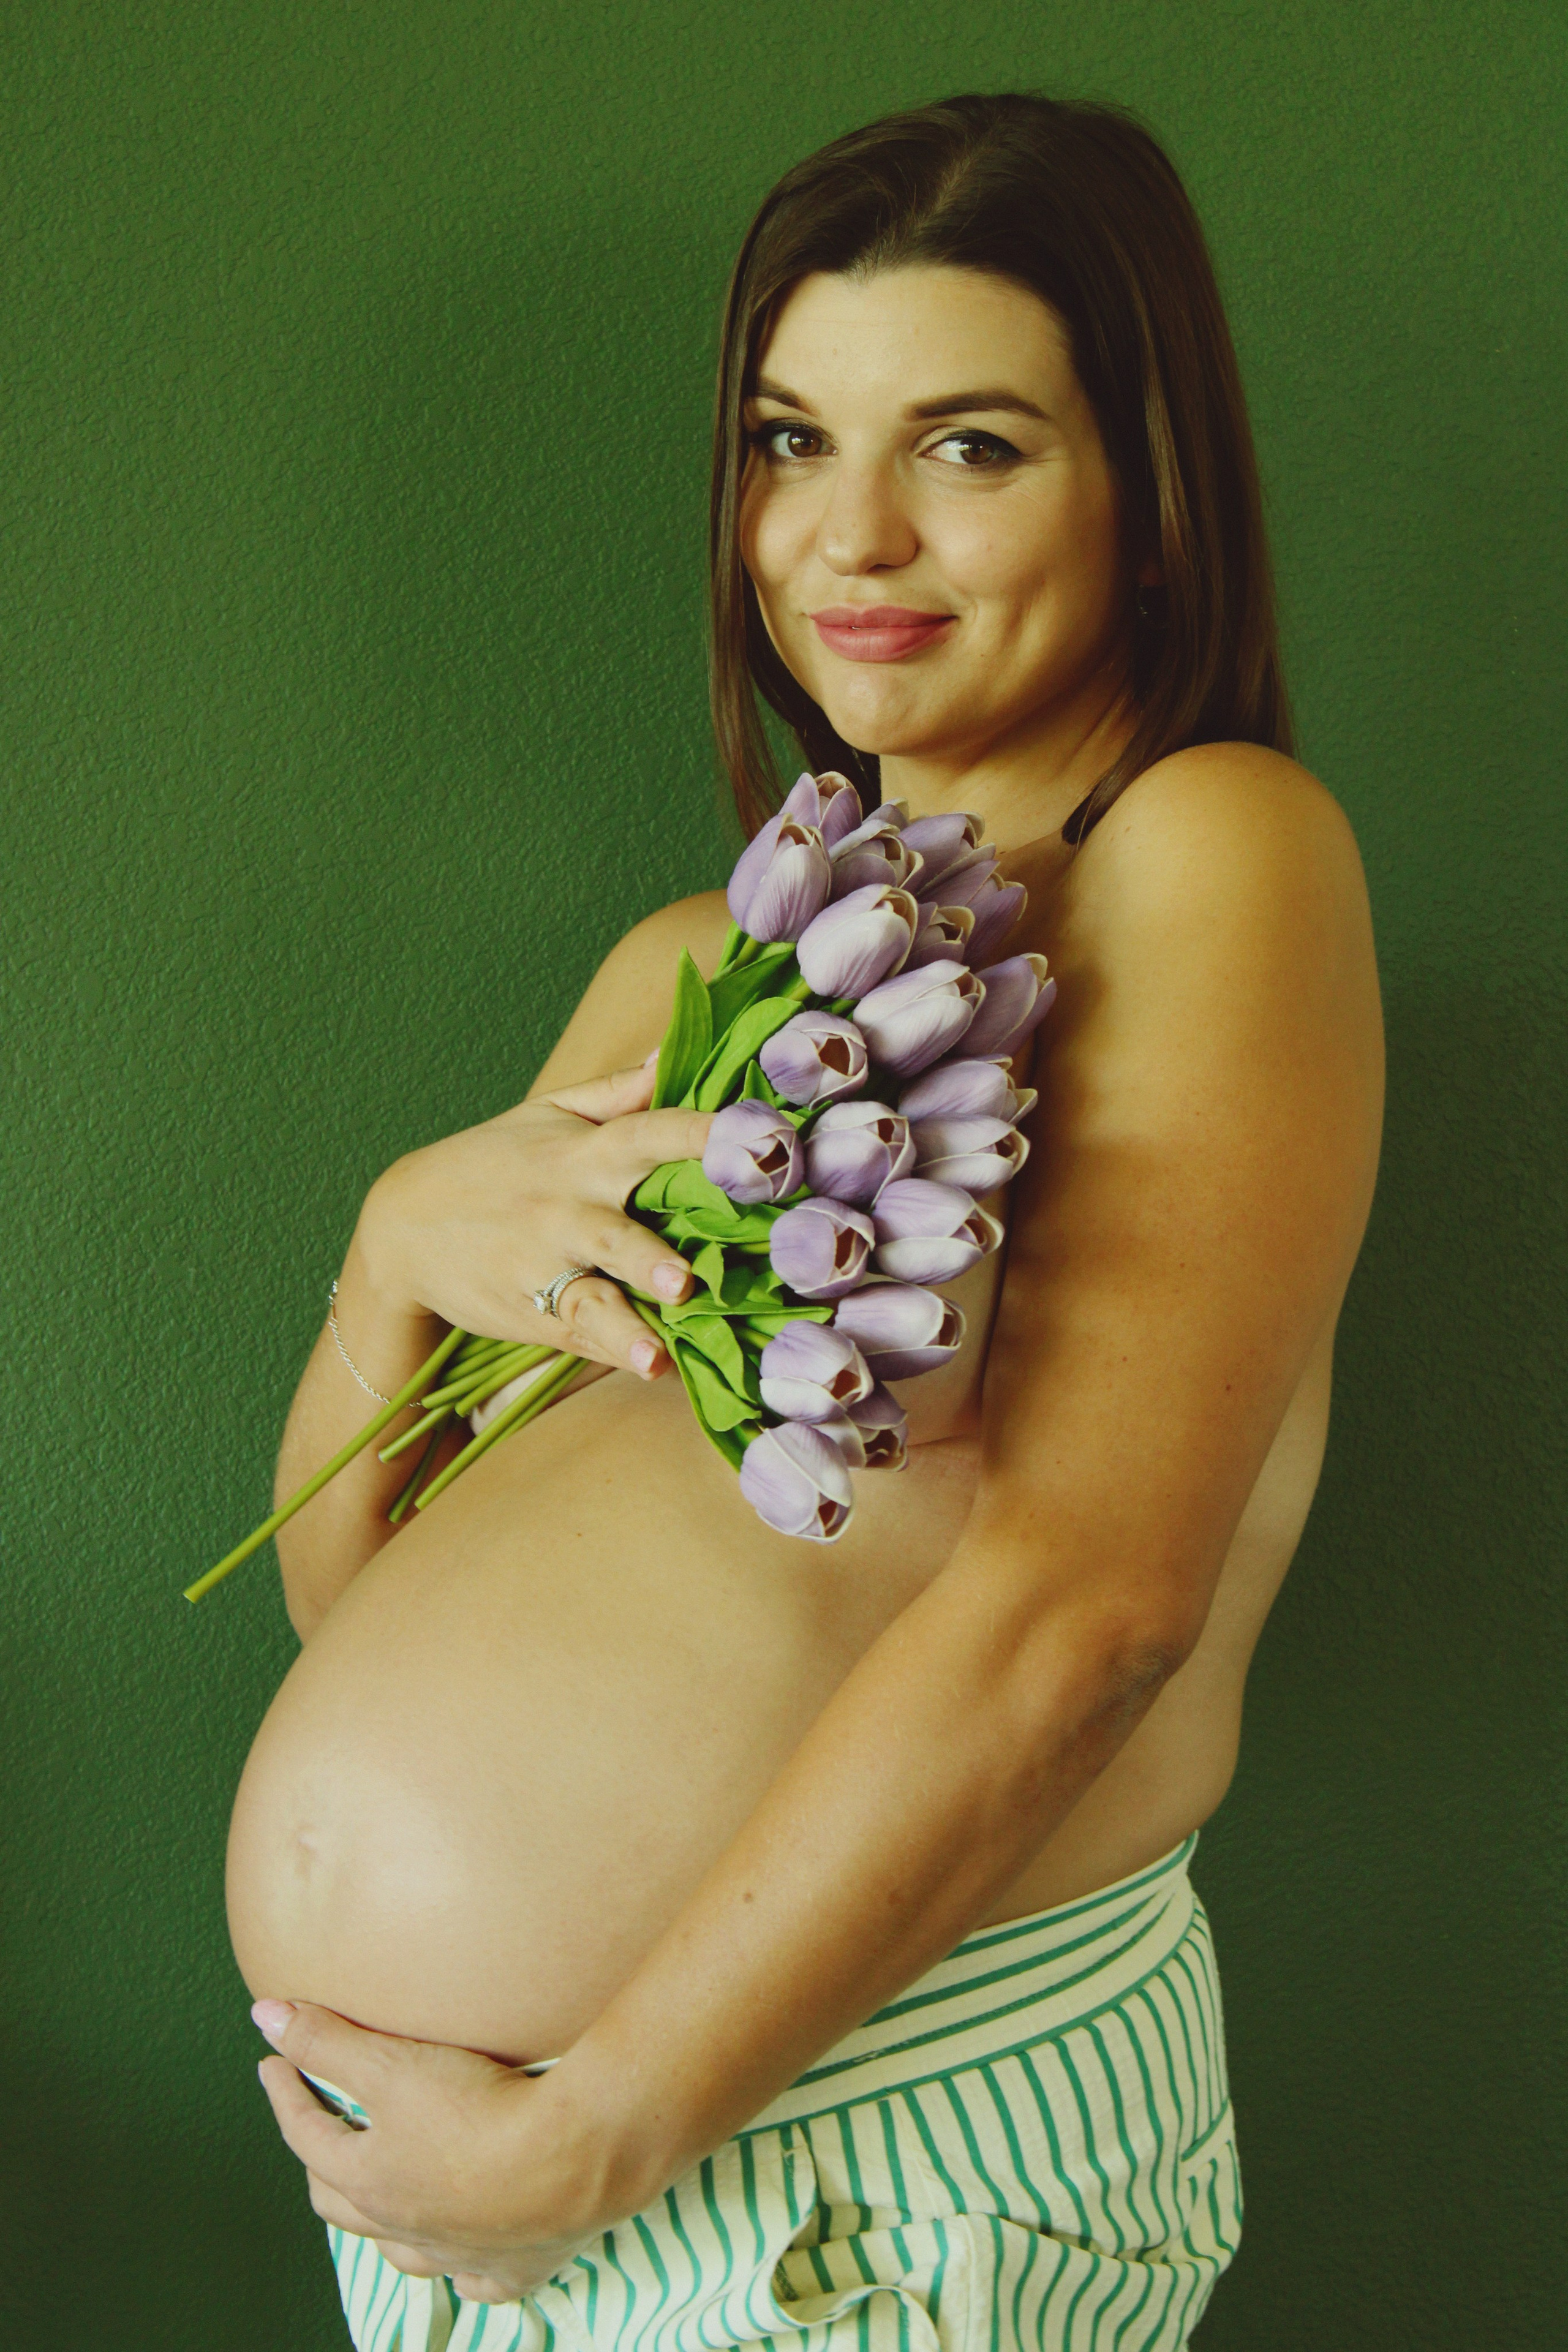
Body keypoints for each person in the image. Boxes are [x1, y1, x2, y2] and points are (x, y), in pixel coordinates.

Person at [227, 92, 1384, 2352]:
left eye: (968, 445)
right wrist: (389, 1256)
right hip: (487, 2203)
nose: (847, 532)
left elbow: (1095, 1607)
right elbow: (354, 1596)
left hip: (834, 2144)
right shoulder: (692, 964)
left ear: (1149, 490)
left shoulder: (1205, 855)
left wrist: (611, 2124)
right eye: (787, 438)